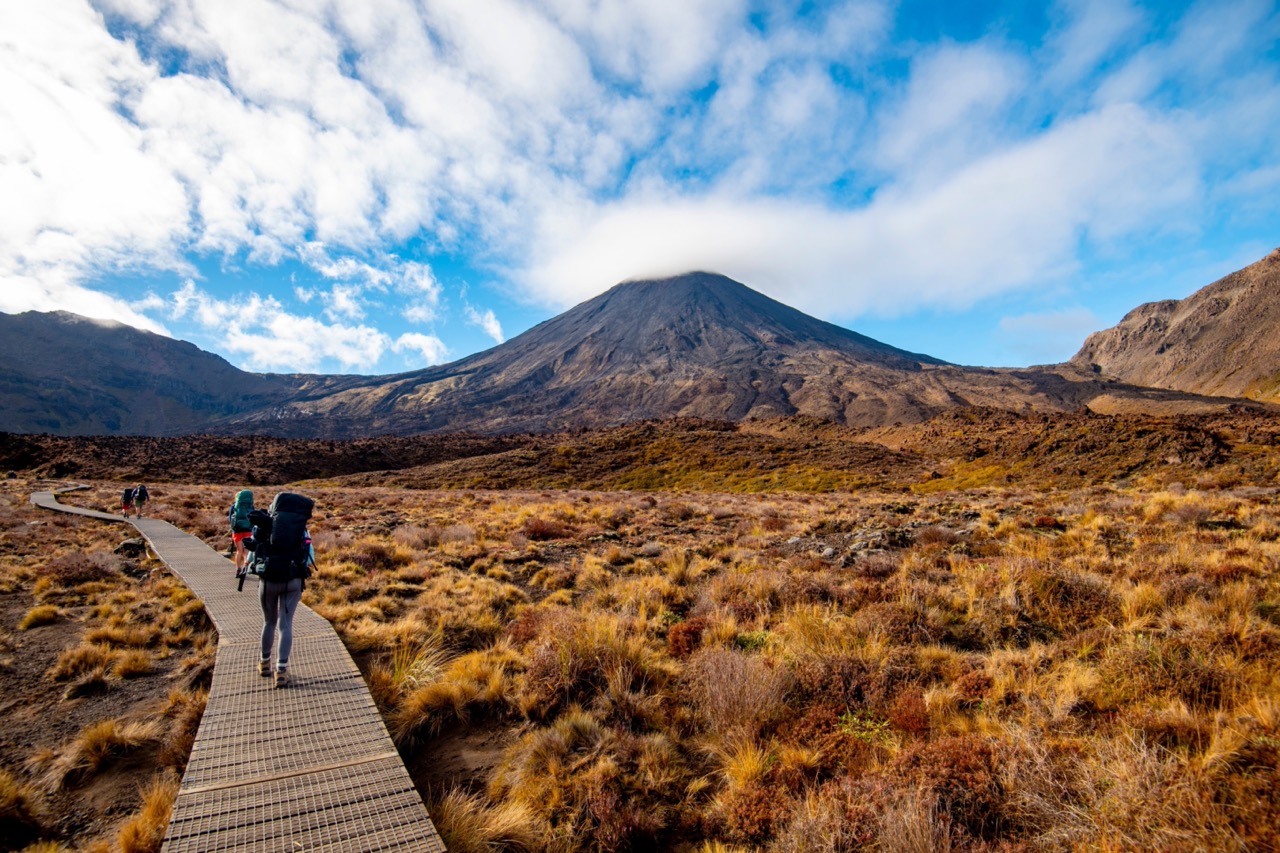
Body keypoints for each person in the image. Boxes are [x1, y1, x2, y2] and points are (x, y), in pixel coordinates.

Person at [228, 489, 255, 572]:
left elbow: (230, 519)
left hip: (237, 531)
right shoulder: (250, 506)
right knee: (246, 551)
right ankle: (246, 569)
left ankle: (238, 569)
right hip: (248, 531)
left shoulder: (234, 506)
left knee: (239, 551)